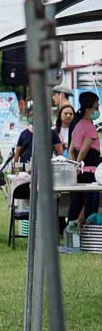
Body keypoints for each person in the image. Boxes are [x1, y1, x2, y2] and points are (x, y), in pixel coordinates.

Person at [67, 92, 100, 229]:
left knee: (77, 201)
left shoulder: (77, 125)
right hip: (90, 172)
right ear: (88, 110)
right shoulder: (90, 127)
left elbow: (70, 151)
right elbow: (84, 150)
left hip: (80, 173)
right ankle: (82, 229)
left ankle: (72, 227)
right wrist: (78, 164)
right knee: (89, 203)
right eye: (96, 107)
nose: (97, 111)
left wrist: (74, 166)